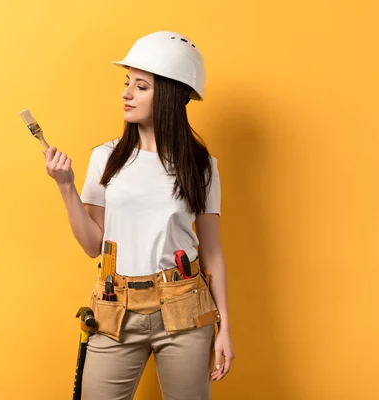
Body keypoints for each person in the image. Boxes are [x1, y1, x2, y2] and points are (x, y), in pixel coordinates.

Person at [44, 31, 235, 399]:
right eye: (127, 83)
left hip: (184, 307)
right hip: (116, 307)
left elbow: (212, 253)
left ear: (169, 95)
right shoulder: (107, 157)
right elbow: (91, 245)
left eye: (141, 86)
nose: (126, 93)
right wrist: (65, 186)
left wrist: (224, 327)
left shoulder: (201, 165)